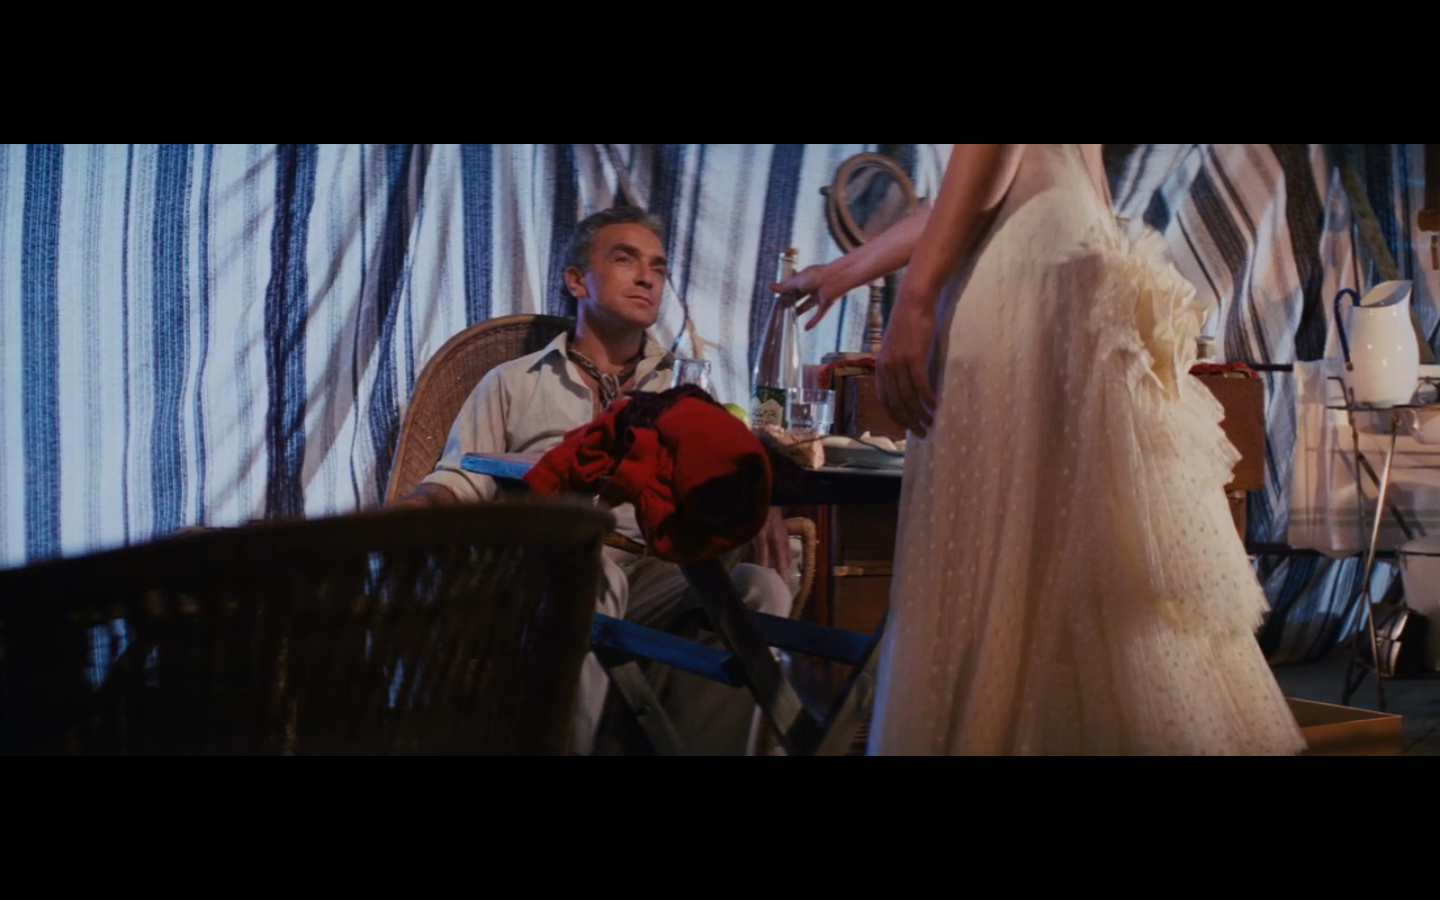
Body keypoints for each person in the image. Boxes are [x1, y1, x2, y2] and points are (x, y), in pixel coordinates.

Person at [777, 145, 1304, 755]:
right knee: (1065, 551)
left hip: (1021, 273)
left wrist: (916, 297)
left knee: (1016, 552)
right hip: (1060, 245)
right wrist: (847, 271)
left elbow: (992, 160)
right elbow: (988, 186)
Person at [394, 206, 794, 756]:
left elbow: (724, 475)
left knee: (761, 590)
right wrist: (405, 515)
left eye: (658, 267)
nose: (647, 277)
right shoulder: (514, 382)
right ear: (577, 280)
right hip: (544, 578)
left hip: (658, 574)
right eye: (626, 260)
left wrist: (764, 498)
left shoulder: (684, 389)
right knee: (593, 570)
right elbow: (459, 481)